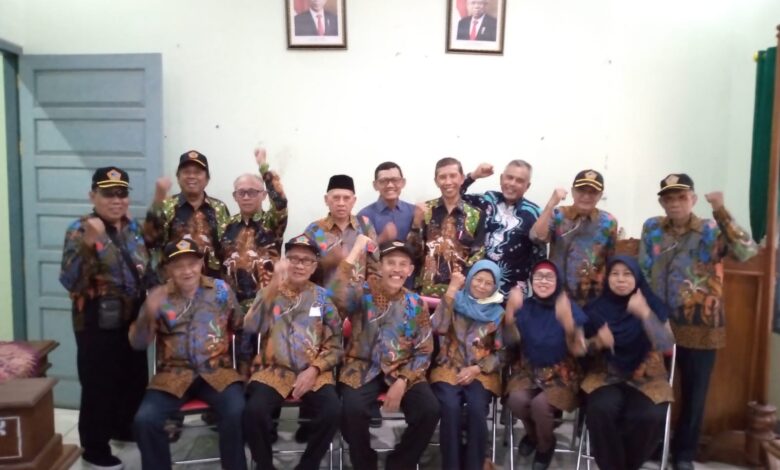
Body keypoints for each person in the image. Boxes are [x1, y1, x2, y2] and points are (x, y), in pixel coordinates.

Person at [638, 174, 757, 470]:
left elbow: (746, 251)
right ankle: (653, 445)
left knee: (694, 393)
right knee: (653, 387)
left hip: (701, 327)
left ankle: (684, 454)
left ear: (692, 199)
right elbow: (644, 272)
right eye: (668, 198)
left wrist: (720, 209)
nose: (674, 203)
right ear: (661, 202)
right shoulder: (652, 228)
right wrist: (652, 316)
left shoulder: (710, 229)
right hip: (660, 325)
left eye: (681, 197)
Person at [59, 167, 150, 469]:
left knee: (133, 377)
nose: (116, 200)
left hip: (132, 315)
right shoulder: (79, 229)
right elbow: (70, 280)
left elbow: (143, 267)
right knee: (99, 384)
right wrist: (89, 243)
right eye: (108, 194)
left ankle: (123, 427)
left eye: (121, 193)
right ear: (93, 196)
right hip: (97, 320)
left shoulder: (132, 227)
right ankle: (95, 449)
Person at [130, 239, 247, 470]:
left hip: (217, 372)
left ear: (201, 263)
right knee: (145, 420)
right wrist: (147, 314)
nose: (187, 271)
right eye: (179, 266)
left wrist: (244, 369)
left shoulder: (221, 290)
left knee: (237, 411)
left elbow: (241, 327)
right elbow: (138, 344)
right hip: (173, 374)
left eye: (192, 264)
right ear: (168, 269)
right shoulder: (159, 296)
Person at [334, 236, 440, 470]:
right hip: (361, 366)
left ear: (410, 270)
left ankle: (400, 463)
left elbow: (424, 350)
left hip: (403, 368)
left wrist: (403, 381)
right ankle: (365, 463)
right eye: (391, 263)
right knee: (350, 410)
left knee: (429, 410)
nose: (396, 269)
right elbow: (336, 292)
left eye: (403, 264)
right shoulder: (362, 293)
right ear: (380, 266)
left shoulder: (416, 303)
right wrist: (356, 250)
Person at [242, 235, 342, 470]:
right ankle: (264, 465)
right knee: (254, 411)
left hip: (313, 371)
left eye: (306, 260)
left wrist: (315, 369)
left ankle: (308, 465)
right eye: (294, 259)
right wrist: (273, 284)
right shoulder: (269, 292)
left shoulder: (322, 298)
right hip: (273, 369)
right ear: (285, 262)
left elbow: (336, 344)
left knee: (332, 410)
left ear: (314, 267)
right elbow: (251, 326)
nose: (299, 265)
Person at [582, 255, 676, 470]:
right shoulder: (596, 307)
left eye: (627, 274)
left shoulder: (651, 304)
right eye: (615, 274)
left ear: (637, 277)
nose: (621, 279)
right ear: (607, 278)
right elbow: (580, 350)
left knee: (650, 415)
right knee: (600, 409)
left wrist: (644, 314)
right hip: (606, 376)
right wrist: (598, 341)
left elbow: (665, 343)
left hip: (647, 377)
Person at [504, 260, 587, 470]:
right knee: (516, 401)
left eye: (549, 277)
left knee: (540, 406)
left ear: (558, 281)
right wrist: (510, 314)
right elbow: (511, 340)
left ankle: (545, 446)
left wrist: (568, 324)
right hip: (528, 371)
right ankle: (534, 436)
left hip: (562, 375)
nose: (543, 281)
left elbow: (581, 350)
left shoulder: (568, 307)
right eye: (538, 277)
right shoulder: (526, 306)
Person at [430, 260, 504, 470]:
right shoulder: (454, 301)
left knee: (476, 408)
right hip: (448, 366)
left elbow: (503, 352)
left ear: (495, 286)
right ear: (470, 279)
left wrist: (478, 368)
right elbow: (438, 327)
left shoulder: (498, 313)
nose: (482, 286)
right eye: (478, 280)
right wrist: (451, 290)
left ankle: (474, 465)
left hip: (481, 371)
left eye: (488, 283)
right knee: (450, 407)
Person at [530, 169, 618, 306]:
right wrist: (551, 203)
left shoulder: (608, 222)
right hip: (558, 296)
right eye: (581, 190)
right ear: (572, 192)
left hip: (594, 299)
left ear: (600, 195)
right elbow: (536, 237)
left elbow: (611, 259)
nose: (586, 196)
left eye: (592, 192)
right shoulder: (559, 215)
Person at [460, 160, 547, 296]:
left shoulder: (533, 213)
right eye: (509, 177)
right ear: (501, 179)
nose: (512, 183)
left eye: (519, 180)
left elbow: (540, 258)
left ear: (527, 186)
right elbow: (453, 196)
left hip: (510, 293)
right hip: (477, 286)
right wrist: (473, 176)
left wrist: (537, 298)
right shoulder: (488, 199)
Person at [144, 150, 230, 282]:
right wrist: (157, 200)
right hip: (175, 284)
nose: (191, 176)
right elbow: (149, 240)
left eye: (197, 172)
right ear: (178, 178)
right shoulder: (166, 206)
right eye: (186, 172)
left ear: (207, 179)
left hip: (211, 284)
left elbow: (226, 248)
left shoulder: (219, 208)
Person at [221, 148, 288, 312]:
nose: (246, 197)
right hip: (232, 306)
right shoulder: (225, 226)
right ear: (235, 196)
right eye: (241, 192)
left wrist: (264, 167)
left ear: (264, 195)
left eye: (252, 192)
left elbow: (280, 202)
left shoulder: (272, 222)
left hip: (268, 304)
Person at [407, 157, 486, 297]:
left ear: (462, 178)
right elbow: (413, 253)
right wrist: (416, 224)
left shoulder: (476, 215)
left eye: (453, 176)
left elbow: (477, 255)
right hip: (425, 293)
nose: (448, 182)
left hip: (459, 294)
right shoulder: (425, 211)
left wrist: (462, 283)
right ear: (436, 181)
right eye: (442, 177)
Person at [304, 174, 379, 287]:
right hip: (325, 295)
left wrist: (372, 292)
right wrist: (326, 261)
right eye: (336, 198)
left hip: (359, 296)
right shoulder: (316, 229)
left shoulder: (364, 225)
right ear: (326, 200)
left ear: (354, 201)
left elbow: (375, 265)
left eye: (346, 198)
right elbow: (304, 269)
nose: (341, 203)